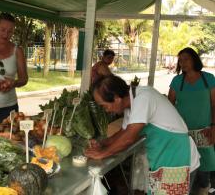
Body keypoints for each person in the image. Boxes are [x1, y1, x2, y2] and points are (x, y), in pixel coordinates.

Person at [85, 75, 200, 194]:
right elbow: (123, 133)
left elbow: (128, 138)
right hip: (164, 162)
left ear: (117, 98)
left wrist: (102, 154)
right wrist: (102, 143)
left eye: (104, 105)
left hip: (178, 160)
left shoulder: (144, 98)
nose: (106, 110)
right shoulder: (131, 103)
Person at [168, 47, 215, 194]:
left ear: (194, 59)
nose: (182, 63)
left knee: (204, 169)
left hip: (204, 131)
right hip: (183, 133)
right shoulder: (177, 81)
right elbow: (169, 106)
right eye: (180, 60)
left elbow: (214, 104)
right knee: (185, 166)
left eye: (186, 59)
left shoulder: (209, 79)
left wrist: (214, 126)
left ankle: (204, 189)